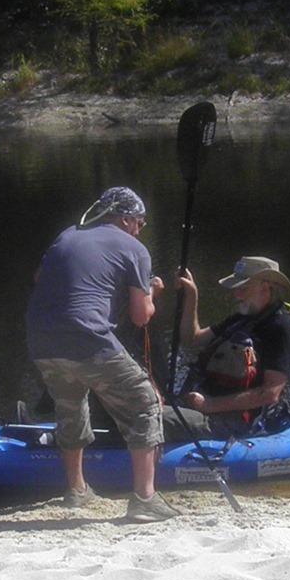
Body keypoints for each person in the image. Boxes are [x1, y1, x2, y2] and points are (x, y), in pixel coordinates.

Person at [25, 186, 180, 523]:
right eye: (140, 222)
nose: (140, 229)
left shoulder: (68, 235)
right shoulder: (134, 248)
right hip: (87, 338)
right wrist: (152, 290)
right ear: (126, 219)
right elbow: (141, 316)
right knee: (144, 402)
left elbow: (40, 277)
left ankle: (77, 490)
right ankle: (145, 499)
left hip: (40, 340)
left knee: (70, 406)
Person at [164, 256, 290, 442]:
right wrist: (191, 295)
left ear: (264, 288)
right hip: (201, 407)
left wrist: (209, 405)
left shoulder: (283, 328)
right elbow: (193, 338)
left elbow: (270, 394)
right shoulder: (242, 319)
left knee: (148, 417)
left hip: (232, 422)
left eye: (243, 288)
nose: (236, 294)